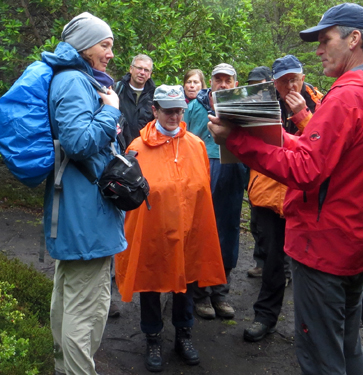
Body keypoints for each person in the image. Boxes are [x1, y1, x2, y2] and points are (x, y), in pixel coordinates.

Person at [208, 3, 363, 375]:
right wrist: (269, 135)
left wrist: (238, 141)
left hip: (322, 247)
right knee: (347, 348)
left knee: (321, 358)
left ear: (353, 39)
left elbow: (306, 170)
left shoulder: (347, 95)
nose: (318, 50)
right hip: (352, 241)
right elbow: (320, 153)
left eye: (325, 39)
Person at [116, 84, 226, 373]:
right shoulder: (137, 148)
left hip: (188, 231)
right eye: (168, 110)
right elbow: (129, 197)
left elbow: (203, 193)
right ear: (155, 110)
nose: (174, 116)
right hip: (152, 232)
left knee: (186, 281)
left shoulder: (196, 145)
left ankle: (184, 335)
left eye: (179, 110)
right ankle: (152, 337)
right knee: (150, 282)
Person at [44, 12, 127, 375]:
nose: (110, 53)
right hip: (85, 211)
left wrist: (106, 119)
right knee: (86, 308)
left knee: (67, 299)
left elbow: (77, 137)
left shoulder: (73, 79)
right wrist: (111, 114)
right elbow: (78, 142)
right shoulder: (75, 81)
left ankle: (64, 368)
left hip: (75, 207)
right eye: (104, 45)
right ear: (84, 45)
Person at [243, 55, 323, 343]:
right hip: (269, 192)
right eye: (283, 80)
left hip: (305, 196)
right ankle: (265, 317)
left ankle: (311, 329)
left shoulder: (321, 103)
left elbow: (324, 147)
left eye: (294, 78)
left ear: (303, 76)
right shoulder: (262, 102)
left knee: (308, 264)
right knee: (273, 260)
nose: (290, 84)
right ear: (274, 82)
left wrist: (305, 116)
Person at [182, 63, 246, 320]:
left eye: (227, 80)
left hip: (232, 170)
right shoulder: (196, 106)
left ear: (235, 84)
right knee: (201, 230)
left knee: (228, 231)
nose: (222, 84)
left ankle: (220, 292)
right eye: (218, 79)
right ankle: (200, 293)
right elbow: (183, 139)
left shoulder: (243, 106)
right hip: (202, 171)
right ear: (211, 82)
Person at [245, 66, 273, 280]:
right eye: (253, 86)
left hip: (275, 171)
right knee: (257, 222)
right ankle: (261, 262)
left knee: (274, 226)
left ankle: (281, 269)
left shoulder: (278, 103)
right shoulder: (250, 104)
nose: (257, 89)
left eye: (260, 85)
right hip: (254, 171)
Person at [115, 54, 156, 147]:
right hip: (118, 150)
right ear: (131, 69)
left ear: (150, 74)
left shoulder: (155, 96)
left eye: (146, 70)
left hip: (144, 149)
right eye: (139, 68)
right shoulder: (117, 90)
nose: (142, 72)